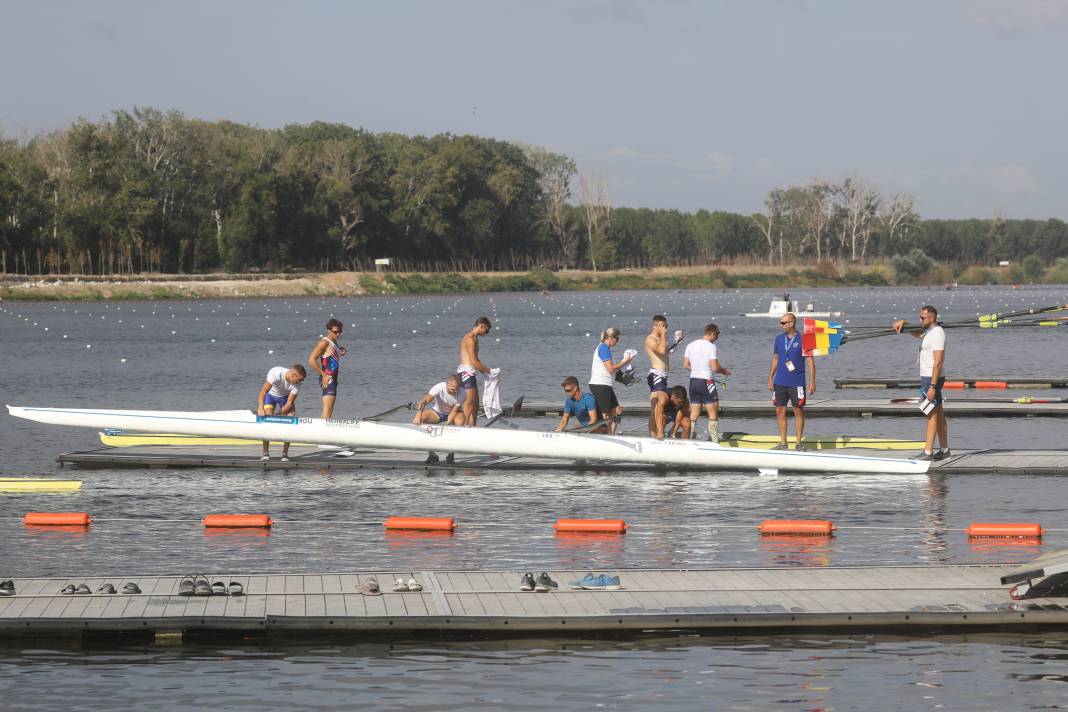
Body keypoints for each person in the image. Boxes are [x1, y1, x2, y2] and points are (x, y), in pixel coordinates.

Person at [894, 305, 949, 461]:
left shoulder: (937, 333)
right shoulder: (929, 332)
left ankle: (928, 453)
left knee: (930, 415)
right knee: (939, 415)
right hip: (929, 378)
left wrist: (932, 386)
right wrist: (902, 322)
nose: (920, 320)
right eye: (919, 317)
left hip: (932, 379)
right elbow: (917, 333)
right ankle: (945, 450)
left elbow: (938, 362)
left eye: (922, 318)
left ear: (931, 318)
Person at [767, 312, 815, 450]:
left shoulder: (805, 339)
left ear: (791, 323)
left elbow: (810, 361)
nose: (781, 325)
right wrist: (770, 377)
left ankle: (799, 443)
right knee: (779, 411)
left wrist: (812, 381)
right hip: (780, 382)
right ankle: (783, 443)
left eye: (783, 323)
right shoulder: (779, 339)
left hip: (797, 382)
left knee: (798, 411)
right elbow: (776, 358)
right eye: (780, 322)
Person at [682, 323, 731, 442]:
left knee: (694, 414)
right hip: (707, 382)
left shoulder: (690, 345)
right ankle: (715, 442)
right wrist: (724, 371)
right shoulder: (711, 346)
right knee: (713, 412)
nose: (717, 339)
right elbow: (714, 368)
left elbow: (685, 365)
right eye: (717, 336)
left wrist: (697, 369)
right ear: (713, 333)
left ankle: (688, 439)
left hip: (693, 382)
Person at [644, 315, 684, 439]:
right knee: (661, 401)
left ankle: (652, 434)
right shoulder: (651, 339)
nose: (665, 328)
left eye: (666, 326)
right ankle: (658, 433)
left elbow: (667, 351)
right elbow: (661, 351)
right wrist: (663, 335)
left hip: (663, 376)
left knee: (655, 406)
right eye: (663, 326)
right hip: (656, 374)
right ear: (655, 325)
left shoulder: (660, 339)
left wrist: (677, 341)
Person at [256, 364, 306, 462]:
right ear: (294, 375)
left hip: (285, 398)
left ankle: (285, 454)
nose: (300, 382)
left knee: (290, 420)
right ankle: (265, 453)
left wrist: (277, 415)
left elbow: (289, 403)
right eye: (300, 379)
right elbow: (263, 391)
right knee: (266, 422)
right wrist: (260, 408)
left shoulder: (297, 384)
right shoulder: (276, 373)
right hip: (271, 396)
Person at [589, 327, 634, 434]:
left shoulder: (605, 348)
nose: (617, 341)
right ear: (609, 337)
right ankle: (596, 434)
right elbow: (610, 369)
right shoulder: (604, 348)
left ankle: (611, 435)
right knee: (605, 415)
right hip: (600, 385)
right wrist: (625, 361)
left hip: (604, 385)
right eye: (616, 338)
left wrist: (623, 378)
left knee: (617, 411)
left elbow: (611, 370)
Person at [308, 318, 347, 418]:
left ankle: (320, 431)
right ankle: (323, 432)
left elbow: (330, 355)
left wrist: (340, 350)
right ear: (329, 330)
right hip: (327, 378)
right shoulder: (324, 342)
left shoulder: (334, 342)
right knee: (328, 410)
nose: (338, 334)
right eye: (335, 332)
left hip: (332, 378)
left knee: (328, 409)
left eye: (339, 332)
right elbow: (311, 360)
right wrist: (324, 375)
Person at [457, 316, 493, 426]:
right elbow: (473, 362)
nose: (486, 333)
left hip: (470, 373)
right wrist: (490, 371)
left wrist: (486, 372)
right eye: (486, 330)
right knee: (468, 404)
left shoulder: (475, 339)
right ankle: (464, 427)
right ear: (481, 326)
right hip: (466, 373)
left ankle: (473, 427)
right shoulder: (470, 339)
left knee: (476, 405)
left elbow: (476, 360)